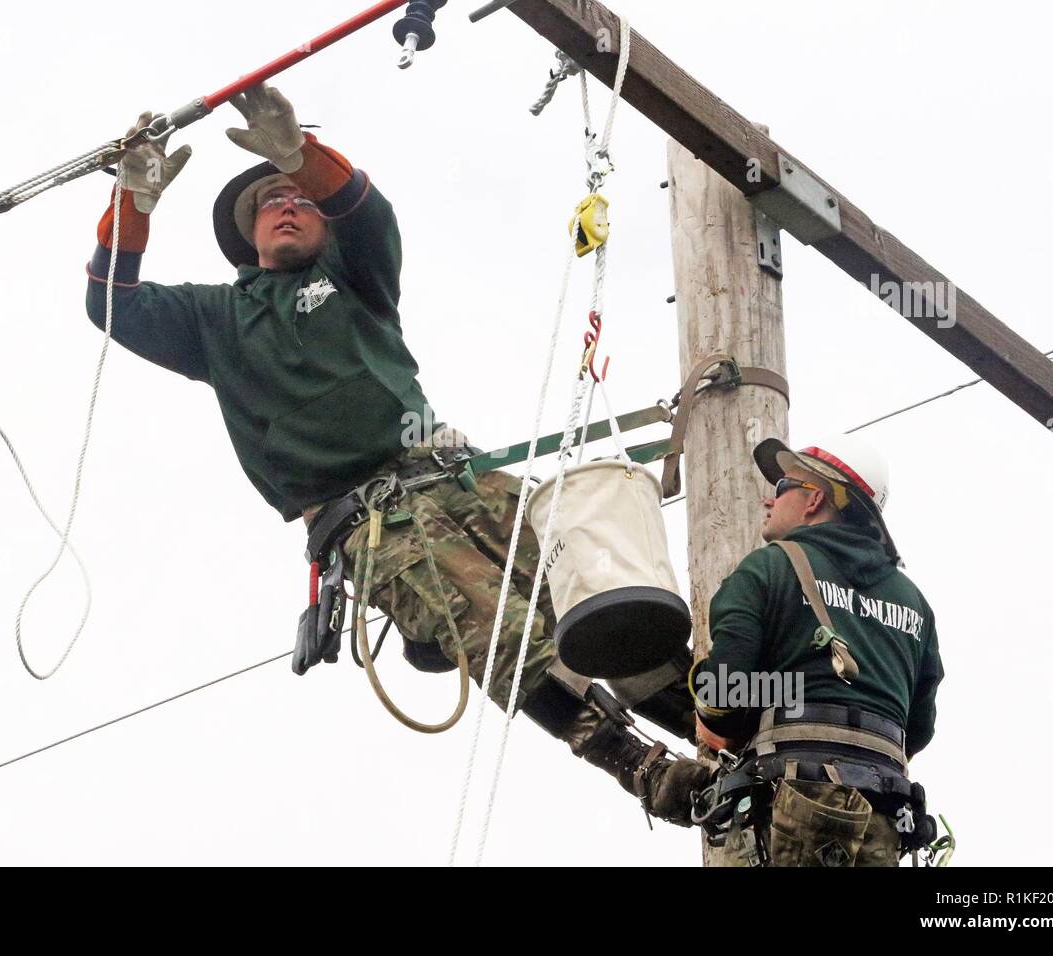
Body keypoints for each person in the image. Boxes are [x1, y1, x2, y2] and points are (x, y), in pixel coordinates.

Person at [84, 84, 706, 825]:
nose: (286, 204)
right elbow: (109, 301)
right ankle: (639, 767)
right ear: (248, 232)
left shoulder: (352, 276)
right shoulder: (212, 318)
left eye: (300, 199)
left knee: (594, 590)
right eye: (270, 202)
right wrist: (134, 200)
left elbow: (368, 214)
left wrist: (300, 155)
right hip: (377, 524)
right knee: (501, 634)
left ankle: (731, 725)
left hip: (459, 477)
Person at [690, 435, 944, 866]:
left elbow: (725, 695)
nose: (768, 500)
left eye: (782, 485)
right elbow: (916, 729)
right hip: (881, 820)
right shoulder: (914, 603)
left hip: (789, 807)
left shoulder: (769, 567)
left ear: (814, 499)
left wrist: (759, 703)